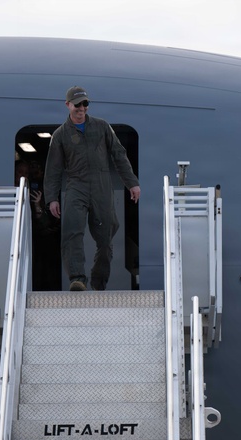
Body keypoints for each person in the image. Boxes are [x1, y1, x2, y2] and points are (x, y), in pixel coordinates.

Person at [44, 86, 140, 291]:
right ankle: (77, 279)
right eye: (77, 104)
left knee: (106, 237)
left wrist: (131, 182)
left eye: (85, 103)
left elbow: (119, 154)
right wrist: (52, 198)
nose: (82, 108)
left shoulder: (102, 126)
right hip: (75, 185)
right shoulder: (60, 135)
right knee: (72, 232)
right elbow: (53, 169)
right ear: (67, 105)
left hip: (101, 185)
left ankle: (98, 279)